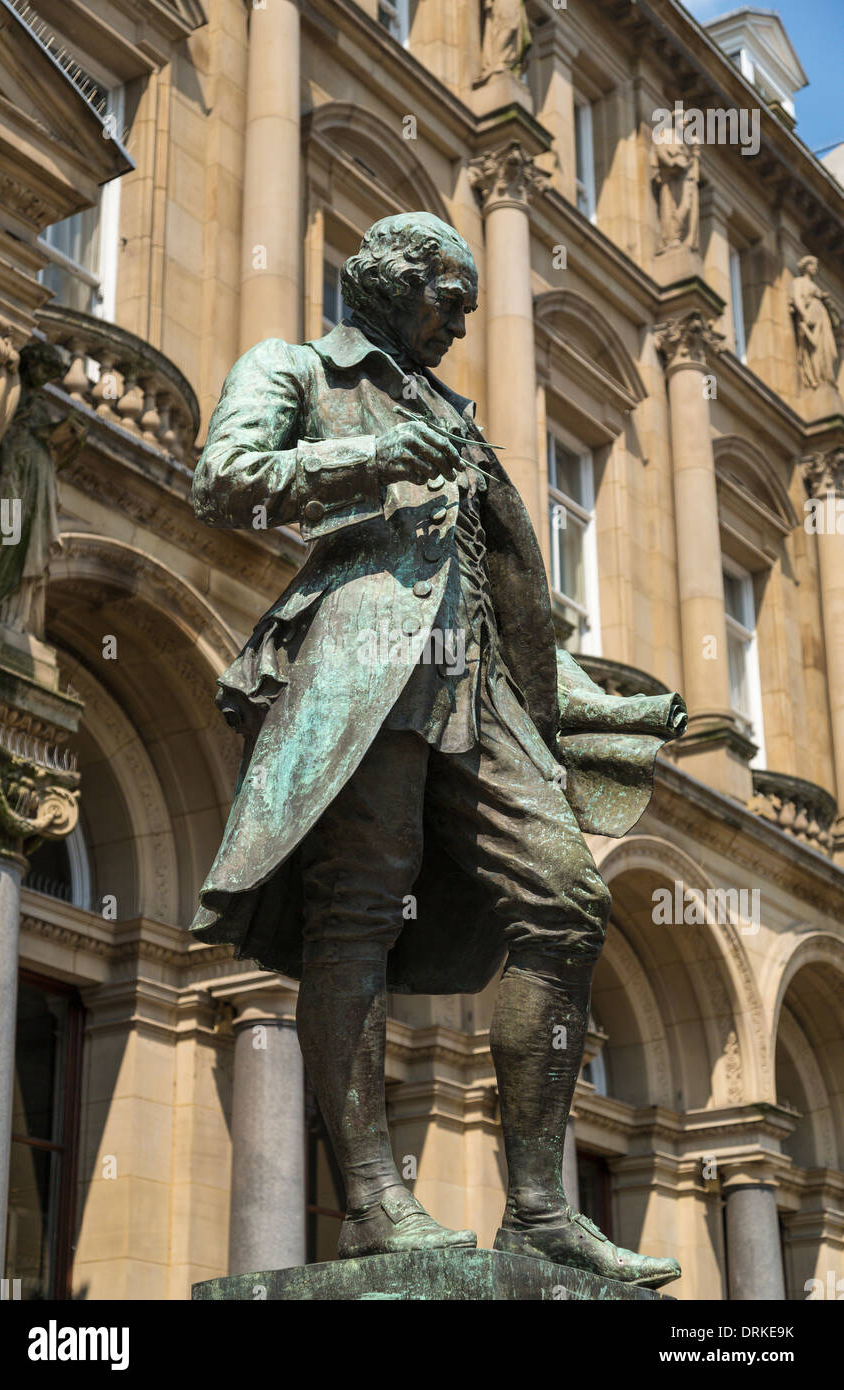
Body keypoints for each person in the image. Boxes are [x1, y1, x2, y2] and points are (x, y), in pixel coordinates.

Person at [191, 212, 686, 1288]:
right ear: (386, 281)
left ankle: (542, 1212)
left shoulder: (457, 416)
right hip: (364, 661)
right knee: (357, 908)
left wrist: (605, 703)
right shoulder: (295, 367)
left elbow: (516, 594)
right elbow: (222, 478)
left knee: (565, 900)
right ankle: (372, 1200)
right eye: (449, 301)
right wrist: (367, 457)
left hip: (483, 688)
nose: (461, 326)